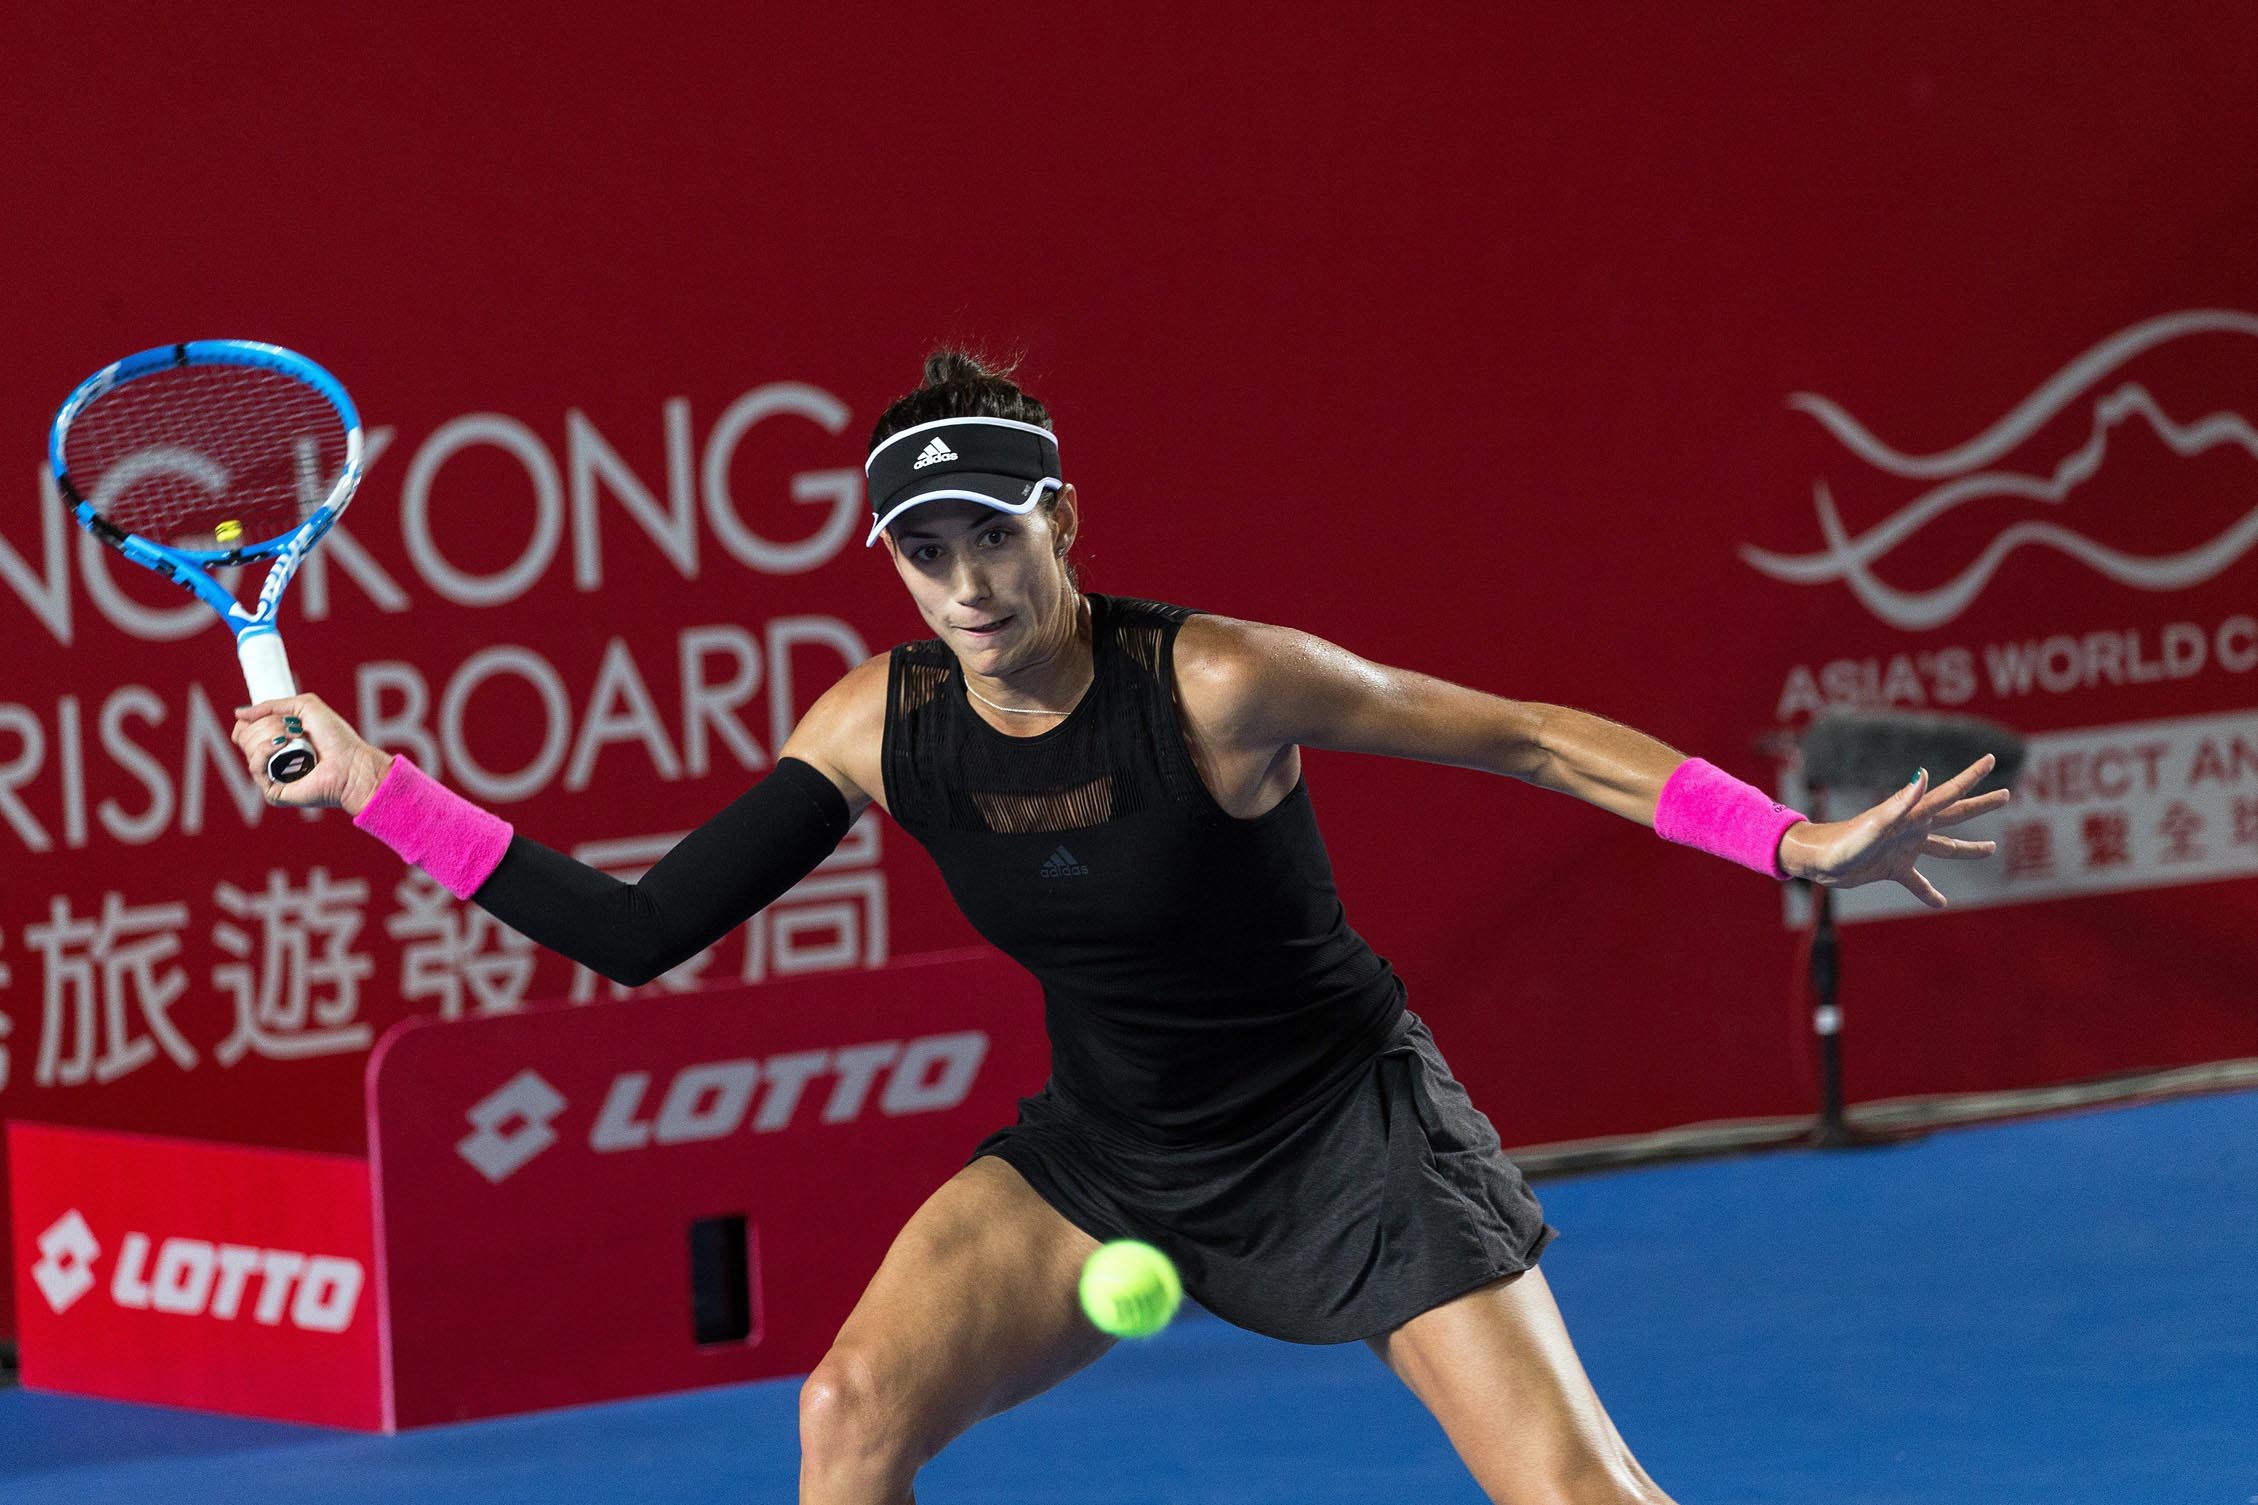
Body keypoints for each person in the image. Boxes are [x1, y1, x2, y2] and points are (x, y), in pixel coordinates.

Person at [233, 351, 2007, 1504]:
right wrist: (381, 785)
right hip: (1111, 1154)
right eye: (924, 552)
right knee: (848, 1415)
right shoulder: (880, 719)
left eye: (992, 538)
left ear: (1058, 520)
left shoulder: (1221, 681)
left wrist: (1787, 839)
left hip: (1348, 1135)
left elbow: (1531, 737)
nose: (966, 586)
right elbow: (636, 929)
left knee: (1582, 1501)